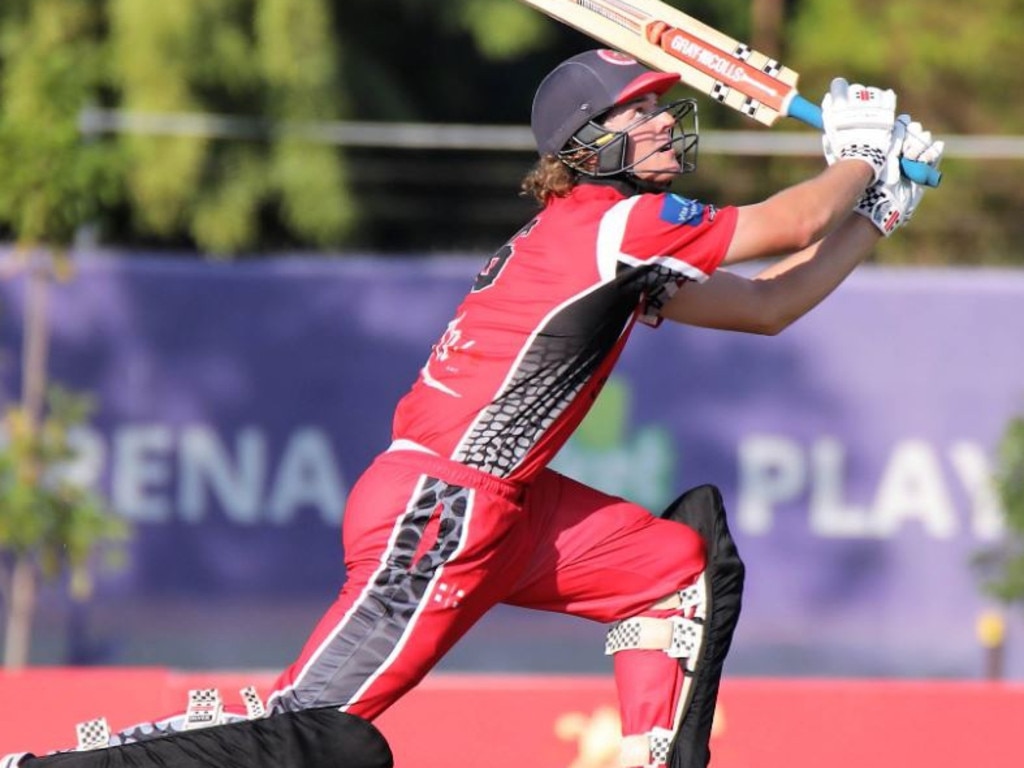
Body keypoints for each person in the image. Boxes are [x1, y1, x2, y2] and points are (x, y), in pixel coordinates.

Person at [4, 49, 943, 768]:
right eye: (645, 111)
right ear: (590, 140)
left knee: (671, 570)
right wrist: (857, 157)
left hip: (510, 507)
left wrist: (878, 208)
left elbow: (768, 306)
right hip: (443, 510)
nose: (666, 124)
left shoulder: (615, 241)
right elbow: (788, 223)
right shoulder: (613, 223)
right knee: (319, 731)